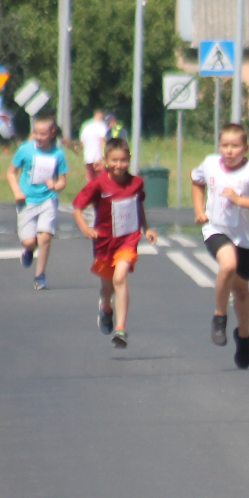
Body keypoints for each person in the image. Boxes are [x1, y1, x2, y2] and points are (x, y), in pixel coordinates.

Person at [191, 123, 249, 369]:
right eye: (225, 145)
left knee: (241, 291)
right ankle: (219, 316)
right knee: (227, 265)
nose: (229, 151)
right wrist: (199, 210)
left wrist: (240, 200)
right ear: (219, 146)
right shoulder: (209, 164)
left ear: (245, 148)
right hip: (215, 229)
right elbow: (197, 181)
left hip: (244, 238)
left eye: (235, 146)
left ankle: (244, 336)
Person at [72, 138, 157, 348]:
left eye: (123, 160)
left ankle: (121, 329)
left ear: (129, 159)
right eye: (114, 160)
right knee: (107, 287)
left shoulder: (136, 183)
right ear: (106, 161)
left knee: (120, 277)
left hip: (128, 239)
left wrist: (147, 229)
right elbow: (77, 207)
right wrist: (85, 228)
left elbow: (138, 207)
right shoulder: (99, 184)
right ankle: (105, 308)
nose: (119, 165)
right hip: (104, 242)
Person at [7, 114, 69, 290]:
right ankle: (28, 251)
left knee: (45, 237)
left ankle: (40, 275)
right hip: (26, 200)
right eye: (36, 133)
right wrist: (17, 192)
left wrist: (55, 185)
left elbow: (63, 181)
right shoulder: (25, 150)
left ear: (51, 133)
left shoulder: (58, 154)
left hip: (48, 199)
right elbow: (11, 172)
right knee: (29, 242)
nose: (39, 137)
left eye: (43, 134)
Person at [79, 110, 108, 182]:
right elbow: (102, 141)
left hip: (87, 158)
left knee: (90, 181)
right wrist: (103, 157)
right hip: (98, 158)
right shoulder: (102, 125)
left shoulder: (85, 126)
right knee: (102, 180)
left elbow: (82, 144)